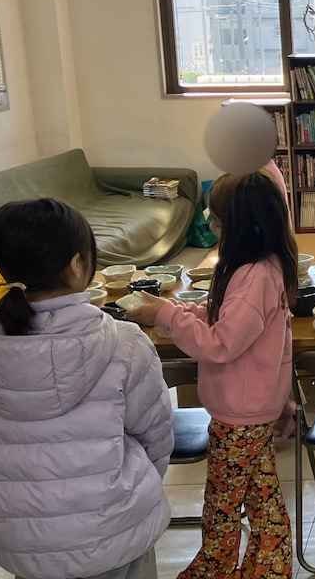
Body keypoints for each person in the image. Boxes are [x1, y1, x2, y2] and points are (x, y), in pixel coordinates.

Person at [0, 199, 173, 579]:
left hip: (24, 544)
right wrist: (131, 495)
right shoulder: (123, 342)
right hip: (112, 534)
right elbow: (156, 437)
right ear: (77, 264)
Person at [127, 171, 296, 579]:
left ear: (240, 227)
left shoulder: (254, 277)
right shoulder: (261, 268)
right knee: (262, 499)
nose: (212, 228)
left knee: (222, 505)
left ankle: (214, 570)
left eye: (216, 221)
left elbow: (220, 344)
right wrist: (176, 312)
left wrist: (166, 316)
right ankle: (269, 570)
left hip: (240, 416)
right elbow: (226, 319)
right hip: (253, 409)